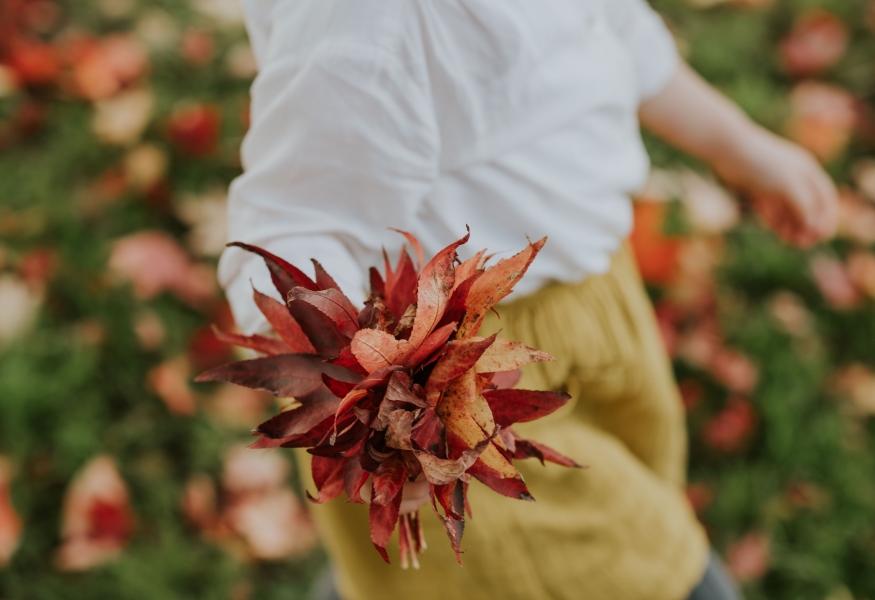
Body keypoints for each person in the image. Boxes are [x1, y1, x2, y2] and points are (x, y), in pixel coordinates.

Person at [219, 1, 839, 599]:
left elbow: (615, 29)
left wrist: (740, 146)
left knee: (599, 528)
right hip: (464, 394)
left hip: (598, 314)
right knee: (650, 574)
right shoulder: (375, 20)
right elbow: (293, 223)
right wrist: (377, 423)